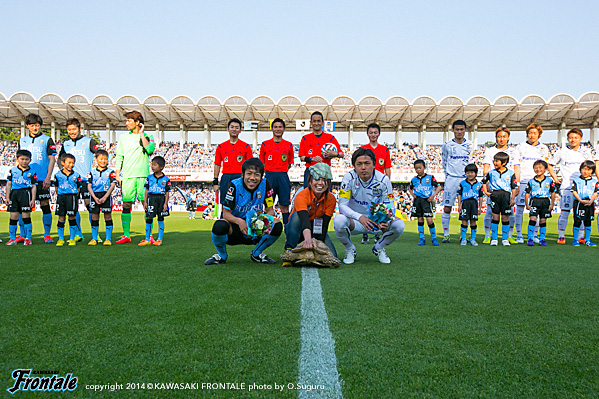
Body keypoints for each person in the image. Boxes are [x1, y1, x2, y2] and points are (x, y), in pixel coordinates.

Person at [204, 158, 283, 265]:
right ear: (242, 175)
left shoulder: (265, 184)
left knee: (277, 224)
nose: (252, 178)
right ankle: (221, 256)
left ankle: (257, 254)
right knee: (219, 225)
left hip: (255, 228)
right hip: (235, 228)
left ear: (261, 176)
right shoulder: (234, 185)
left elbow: (270, 210)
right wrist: (240, 222)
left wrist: (260, 224)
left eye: (257, 174)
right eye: (249, 174)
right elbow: (226, 214)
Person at [334, 147, 405, 264]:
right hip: (355, 221)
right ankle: (350, 249)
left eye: (367, 163)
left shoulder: (384, 180)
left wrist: (386, 221)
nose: (363, 167)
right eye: (359, 164)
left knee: (399, 225)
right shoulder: (348, 178)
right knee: (339, 220)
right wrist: (360, 217)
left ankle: (379, 247)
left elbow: (390, 203)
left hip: (375, 222)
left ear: (374, 164)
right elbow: (342, 206)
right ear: (354, 166)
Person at [283, 163, 337, 266]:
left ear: (329, 183)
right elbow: (303, 220)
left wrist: (319, 243)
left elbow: (325, 223)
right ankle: (289, 248)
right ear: (310, 181)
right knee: (296, 217)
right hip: (298, 229)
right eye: (317, 179)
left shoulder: (331, 199)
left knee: (333, 256)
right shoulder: (302, 195)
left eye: (324, 180)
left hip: (316, 230)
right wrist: (308, 240)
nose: (320, 183)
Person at [114, 111, 156, 244]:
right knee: (126, 204)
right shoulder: (123, 138)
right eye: (126, 121)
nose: (126, 123)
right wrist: (117, 174)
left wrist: (142, 133)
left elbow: (149, 150)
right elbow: (119, 156)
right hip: (128, 176)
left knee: (146, 205)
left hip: (143, 175)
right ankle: (126, 235)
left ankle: (148, 235)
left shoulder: (148, 136)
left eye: (129, 120)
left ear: (137, 122)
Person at [547, 128, 594, 244]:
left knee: (582, 213)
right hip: (567, 187)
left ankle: (581, 237)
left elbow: (592, 166)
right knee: (565, 212)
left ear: (581, 139)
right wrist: (555, 178)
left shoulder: (586, 152)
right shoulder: (561, 152)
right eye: (571, 138)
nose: (573, 140)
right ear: (567, 139)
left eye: (576, 137)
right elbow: (550, 165)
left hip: (583, 187)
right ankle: (561, 236)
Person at [17, 113, 56, 243]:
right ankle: (23, 234)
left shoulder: (47, 139)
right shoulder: (22, 141)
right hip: (26, 180)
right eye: (32, 125)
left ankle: (47, 234)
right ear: (27, 126)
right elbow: (18, 161)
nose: (35, 128)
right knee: (24, 207)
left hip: (41, 179)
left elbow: (52, 159)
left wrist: (48, 177)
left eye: (37, 125)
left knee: (45, 204)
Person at [59, 117, 99, 241]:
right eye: (69, 130)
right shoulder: (65, 144)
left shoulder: (89, 141)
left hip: (85, 180)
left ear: (79, 129)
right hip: (71, 182)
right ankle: (78, 234)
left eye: (74, 129)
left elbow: (100, 153)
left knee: (90, 206)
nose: (71, 132)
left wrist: (95, 172)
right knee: (73, 208)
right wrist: (64, 173)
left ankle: (95, 234)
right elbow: (60, 160)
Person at [482, 127, 520, 244]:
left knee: (508, 214)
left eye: (504, 136)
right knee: (490, 212)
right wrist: (487, 185)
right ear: (496, 137)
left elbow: (516, 168)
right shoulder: (490, 151)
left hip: (507, 188)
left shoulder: (514, 151)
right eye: (499, 136)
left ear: (508, 137)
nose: (501, 139)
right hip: (494, 188)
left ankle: (507, 236)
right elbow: (486, 167)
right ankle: (489, 236)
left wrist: (516, 185)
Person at [514, 124, 549, 244]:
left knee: (538, 211)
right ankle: (519, 235)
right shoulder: (520, 147)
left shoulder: (544, 148)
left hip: (538, 183)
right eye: (530, 133)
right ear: (527, 134)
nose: (532, 135)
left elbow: (546, 166)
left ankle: (534, 235)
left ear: (539, 134)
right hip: (524, 180)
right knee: (519, 209)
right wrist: (517, 183)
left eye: (535, 133)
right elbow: (516, 166)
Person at [440, 120, 473, 242]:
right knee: (447, 207)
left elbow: (471, 162)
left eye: (462, 129)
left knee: (466, 209)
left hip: (466, 180)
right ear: (453, 130)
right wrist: (448, 175)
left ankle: (463, 235)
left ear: (465, 130)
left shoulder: (470, 145)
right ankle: (446, 234)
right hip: (451, 179)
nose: (459, 132)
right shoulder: (447, 145)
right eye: (457, 129)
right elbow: (444, 161)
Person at [213, 118, 253, 213]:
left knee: (242, 203)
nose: (234, 129)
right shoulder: (221, 147)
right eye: (232, 127)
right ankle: (225, 226)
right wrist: (215, 182)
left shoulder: (246, 147)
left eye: (236, 127)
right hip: (226, 177)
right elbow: (217, 164)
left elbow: (250, 166)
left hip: (240, 178)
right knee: (225, 204)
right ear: (228, 129)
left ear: (240, 130)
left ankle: (241, 226)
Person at [360, 122, 391, 244]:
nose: (373, 135)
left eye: (375, 132)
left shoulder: (385, 150)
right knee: (365, 208)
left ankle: (377, 233)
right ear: (367, 134)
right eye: (371, 132)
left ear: (379, 134)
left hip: (380, 186)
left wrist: (387, 184)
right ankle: (365, 234)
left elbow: (387, 168)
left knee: (378, 209)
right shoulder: (363, 149)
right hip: (366, 183)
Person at [259, 117, 294, 225]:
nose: (278, 129)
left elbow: (289, 163)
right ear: (272, 129)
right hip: (269, 178)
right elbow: (262, 163)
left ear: (284, 129)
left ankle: (288, 232)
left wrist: (280, 170)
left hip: (283, 177)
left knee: (284, 206)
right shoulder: (265, 144)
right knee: (268, 205)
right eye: (275, 127)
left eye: (280, 127)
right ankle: (267, 230)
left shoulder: (289, 145)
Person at [298, 111, 343, 188]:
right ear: (311, 123)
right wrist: (312, 159)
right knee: (308, 196)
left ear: (322, 122)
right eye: (314, 121)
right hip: (310, 170)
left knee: (326, 196)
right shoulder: (305, 138)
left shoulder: (330, 138)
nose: (316, 123)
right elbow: (302, 157)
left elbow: (341, 154)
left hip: (325, 170)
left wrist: (335, 154)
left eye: (318, 121)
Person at [5, 150, 37, 246]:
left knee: (26, 217)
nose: (24, 161)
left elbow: (34, 186)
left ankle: (28, 238)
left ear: (30, 160)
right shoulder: (12, 170)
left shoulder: (32, 172)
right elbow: (9, 183)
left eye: (26, 159)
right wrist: (7, 197)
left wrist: (33, 199)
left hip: (25, 194)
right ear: (17, 159)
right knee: (13, 217)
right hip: (14, 194)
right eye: (22, 159)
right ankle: (12, 239)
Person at [87, 150, 117, 246]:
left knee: (107, 216)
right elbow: (89, 186)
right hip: (94, 196)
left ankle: (108, 239)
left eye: (105, 159)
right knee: (94, 217)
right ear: (96, 159)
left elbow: (112, 185)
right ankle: (94, 238)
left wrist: (105, 197)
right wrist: (94, 197)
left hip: (106, 196)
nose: (103, 161)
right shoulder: (91, 172)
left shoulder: (110, 172)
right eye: (101, 159)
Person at [409, 159, 442, 246]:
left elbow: (439, 187)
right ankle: (421, 239)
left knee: (429, 220)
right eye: (416, 168)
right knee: (420, 219)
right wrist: (413, 195)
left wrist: (433, 195)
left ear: (424, 168)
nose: (418, 170)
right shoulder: (414, 179)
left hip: (426, 201)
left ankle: (434, 239)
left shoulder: (430, 177)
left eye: (420, 168)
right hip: (417, 201)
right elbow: (410, 188)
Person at [139, 156, 171, 246]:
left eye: (154, 165)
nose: (152, 167)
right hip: (151, 199)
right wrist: (145, 202)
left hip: (161, 199)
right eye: (152, 165)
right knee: (149, 218)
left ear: (161, 167)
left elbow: (167, 192)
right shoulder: (149, 178)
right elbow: (146, 190)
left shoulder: (166, 179)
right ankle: (147, 239)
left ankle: (159, 239)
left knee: (160, 218)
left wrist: (165, 204)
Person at [53, 154, 83, 246]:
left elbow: (78, 188)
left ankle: (72, 238)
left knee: (72, 217)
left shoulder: (77, 175)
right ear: (62, 163)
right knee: (61, 217)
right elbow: (56, 188)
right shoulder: (57, 175)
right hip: (61, 198)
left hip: (72, 197)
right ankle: (61, 238)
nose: (71, 165)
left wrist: (73, 195)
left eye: (73, 163)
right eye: (69, 162)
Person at [524, 160, 556, 247]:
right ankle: (530, 238)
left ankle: (542, 239)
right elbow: (527, 193)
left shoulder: (549, 181)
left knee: (543, 220)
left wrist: (552, 204)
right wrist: (527, 204)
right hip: (535, 201)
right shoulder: (531, 181)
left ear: (545, 169)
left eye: (540, 168)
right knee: (533, 219)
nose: (538, 170)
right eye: (536, 168)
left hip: (545, 201)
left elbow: (553, 193)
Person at [570, 160, 599, 247]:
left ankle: (588, 240)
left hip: (589, 203)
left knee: (588, 221)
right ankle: (575, 239)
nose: (586, 171)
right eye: (584, 169)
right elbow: (574, 191)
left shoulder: (594, 182)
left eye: (589, 170)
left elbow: (596, 192)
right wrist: (580, 200)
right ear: (580, 169)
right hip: (579, 203)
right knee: (577, 221)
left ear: (592, 171)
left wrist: (591, 201)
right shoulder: (576, 180)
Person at [457, 163, 484, 246]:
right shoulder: (462, 183)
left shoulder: (479, 185)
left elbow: (481, 197)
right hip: (465, 203)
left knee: (473, 222)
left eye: (472, 172)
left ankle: (473, 239)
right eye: (468, 172)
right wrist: (459, 205)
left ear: (476, 173)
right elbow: (459, 194)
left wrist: (479, 208)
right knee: (464, 221)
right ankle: (464, 239)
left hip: (474, 204)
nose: (470, 174)